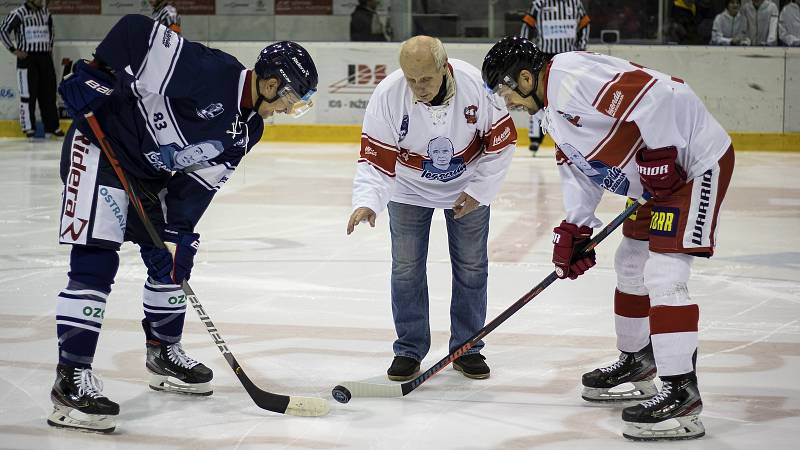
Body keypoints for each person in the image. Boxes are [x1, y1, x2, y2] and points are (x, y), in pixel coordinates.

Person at [49, 14, 318, 433]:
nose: (288, 108)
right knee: (96, 264)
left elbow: (198, 184)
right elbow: (136, 31)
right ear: (269, 83)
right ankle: (69, 380)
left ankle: (163, 353)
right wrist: (97, 74)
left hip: (148, 176)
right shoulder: (212, 72)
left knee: (174, 260)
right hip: (102, 148)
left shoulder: (250, 128)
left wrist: (179, 232)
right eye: (289, 98)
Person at [482, 36, 735, 441]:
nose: (506, 101)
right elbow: (580, 168)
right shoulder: (549, 108)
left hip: (695, 165)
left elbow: (660, 94)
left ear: (526, 77)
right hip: (656, 181)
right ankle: (638, 360)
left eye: (505, 90)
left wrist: (662, 154)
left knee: (665, 274)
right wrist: (577, 226)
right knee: (630, 264)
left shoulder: (570, 75)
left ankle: (681, 391)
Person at [347, 36, 516, 382]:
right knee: (406, 268)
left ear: (444, 67)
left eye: (425, 79)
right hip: (407, 189)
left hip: (466, 185)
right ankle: (409, 350)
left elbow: (501, 144)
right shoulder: (388, 95)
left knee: (471, 266)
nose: (418, 87)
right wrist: (367, 200)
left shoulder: (476, 86)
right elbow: (375, 158)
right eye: (411, 79)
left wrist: (479, 190)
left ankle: (467, 347)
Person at [520, 0, 589, 156]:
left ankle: (571, 135)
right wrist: (527, 51)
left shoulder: (575, 3)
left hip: (568, 58)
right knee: (537, 97)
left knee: (569, 98)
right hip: (544, 57)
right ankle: (535, 137)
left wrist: (581, 48)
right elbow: (527, 25)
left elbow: (585, 23)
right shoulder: (540, 3)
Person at [0, 0, 63, 138]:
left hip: (45, 58)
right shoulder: (18, 13)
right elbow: (3, 30)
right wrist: (13, 50)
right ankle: (29, 128)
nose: (42, 1)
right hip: (27, 58)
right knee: (27, 94)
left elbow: (51, 30)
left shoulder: (46, 12)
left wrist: (49, 47)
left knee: (49, 94)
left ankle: (52, 127)